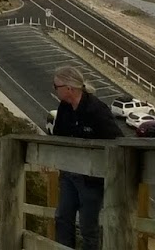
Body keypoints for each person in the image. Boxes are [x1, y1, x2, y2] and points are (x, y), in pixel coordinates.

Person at [50, 65, 122, 250]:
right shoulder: (64, 108)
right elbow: (58, 136)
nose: (54, 89)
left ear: (69, 88)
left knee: (88, 226)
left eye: (55, 86)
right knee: (63, 218)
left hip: (91, 178)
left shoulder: (97, 109)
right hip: (69, 173)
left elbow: (117, 140)